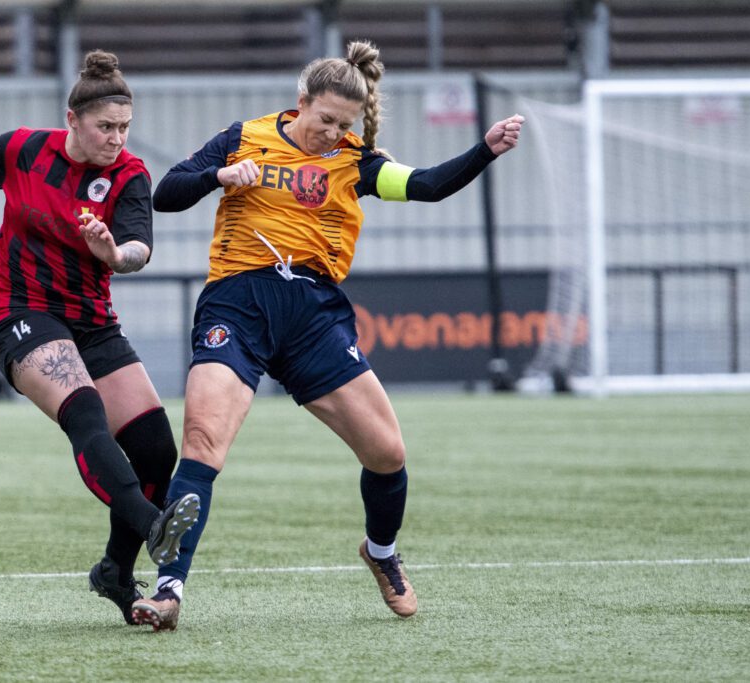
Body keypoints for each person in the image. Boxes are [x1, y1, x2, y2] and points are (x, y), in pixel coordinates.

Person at [130, 39, 524, 631]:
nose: (332, 133)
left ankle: (382, 553)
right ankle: (168, 590)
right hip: (238, 303)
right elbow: (167, 193)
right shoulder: (245, 137)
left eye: (344, 124)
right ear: (301, 101)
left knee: (388, 454)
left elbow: (429, 185)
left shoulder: (356, 161)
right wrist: (219, 174)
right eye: (325, 120)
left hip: (314, 314)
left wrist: (484, 151)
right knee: (203, 441)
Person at [0, 51, 200, 625]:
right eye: (105, 127)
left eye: (124, 127)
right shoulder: (27, 149)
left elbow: (139, 249)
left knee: (155, 446)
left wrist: (113, 254)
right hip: (18, 311)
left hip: (93, 322)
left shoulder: (129, 176)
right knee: (88, 417)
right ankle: (153, 526)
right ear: (71, 120)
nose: (117, 139)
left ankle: (115, 575)